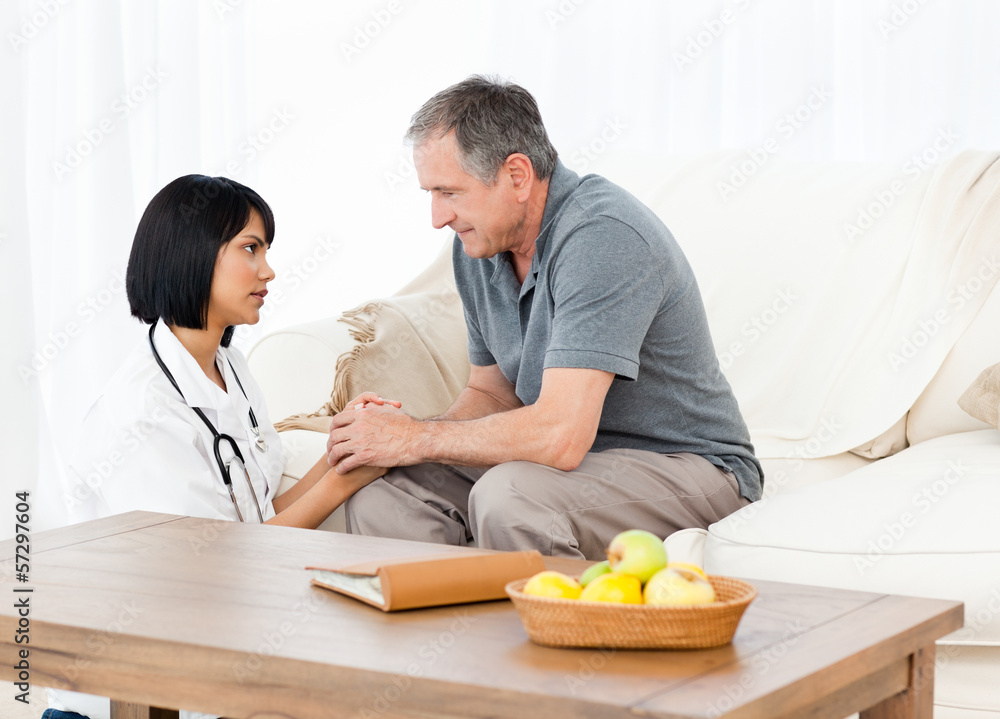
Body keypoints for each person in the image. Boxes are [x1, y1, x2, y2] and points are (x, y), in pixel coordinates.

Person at [326, 76, 763, 559]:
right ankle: (445, 630)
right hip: (568, 464)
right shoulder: (478, 247)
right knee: (389, 493)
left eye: (449, 192)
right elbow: (492, 393)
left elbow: (560, 436)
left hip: (689, 466)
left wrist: (418, 438)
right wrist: (400, 443)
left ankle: (543, 633)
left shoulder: (603, 236)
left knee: (510, 497)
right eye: (430, 193)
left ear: (517, 175)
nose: (437, 217)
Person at [46, 175, 385, 719]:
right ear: (193, 255)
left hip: (222, 651)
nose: (268, 270)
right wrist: (346, 480)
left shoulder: (231, 367)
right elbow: (221, 562)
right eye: (250, 249)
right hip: (133, 695)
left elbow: (254, 513)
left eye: (266, 250)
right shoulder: (144, 409)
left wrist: (341, 448)